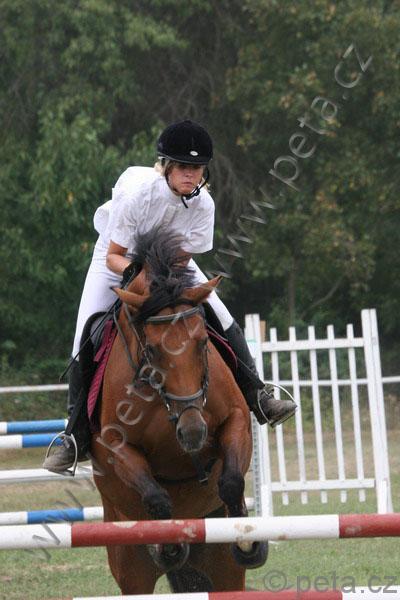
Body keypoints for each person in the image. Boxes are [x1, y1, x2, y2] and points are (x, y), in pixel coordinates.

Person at [43, 119, 296, 474]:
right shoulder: (139, 195)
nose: (191, 175)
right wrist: (142, 277)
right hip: (117, 261)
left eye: (197, 168)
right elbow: (115, 255)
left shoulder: (204, 205)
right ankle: (74, 436)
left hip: (172, 264)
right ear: (167, 167)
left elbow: (183, 258)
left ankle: (259, 396)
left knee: (222, 316)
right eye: (183, 167)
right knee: (86, 331)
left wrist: (165, 283)